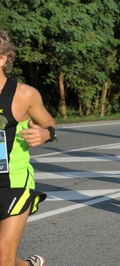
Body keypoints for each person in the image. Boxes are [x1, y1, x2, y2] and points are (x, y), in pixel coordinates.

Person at [0, 29, 57, 266]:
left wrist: (46, 133)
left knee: (3, 259)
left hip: (14, 182)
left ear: (3, 58)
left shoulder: (23, 95)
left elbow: (48, 122)